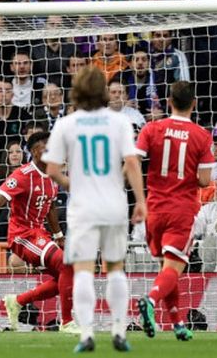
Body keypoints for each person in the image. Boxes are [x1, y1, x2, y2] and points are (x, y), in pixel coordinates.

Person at [43, 65, 146, 352]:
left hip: (82, 207)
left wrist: (72, 183)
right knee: (115, 269)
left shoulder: (66, 124)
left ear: (76, 91)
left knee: (84, 270)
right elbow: (133, 162)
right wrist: (140, 200)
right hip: (113, 204)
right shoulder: (119, 122)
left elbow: (51, 169)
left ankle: (86, 334)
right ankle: (119, 331)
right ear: (103, 91)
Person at [135, 80, 212, 342]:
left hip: (154, 209)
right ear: (194, 103)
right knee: (173, 268)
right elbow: (204, 180)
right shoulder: (202, 135)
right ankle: (150, 300)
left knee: (167, 269)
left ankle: (178, 323)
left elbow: (134, 161)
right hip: (182, 209)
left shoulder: (152, 128)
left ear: (169, 102)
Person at [0, 131, 75, 332]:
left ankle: (17, 301)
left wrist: (58, 236)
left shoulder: (52, 175)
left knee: (67, 273)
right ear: (34, 151)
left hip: (39, 234)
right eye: (46, 147)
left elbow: (49, 207)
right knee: (67, 265)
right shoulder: (22, 176)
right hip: (21, 235)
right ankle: (67, 323)